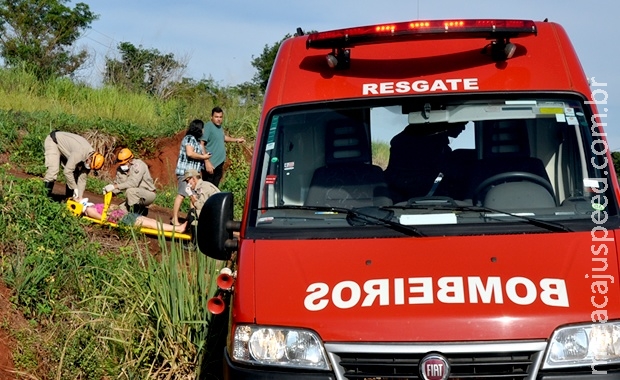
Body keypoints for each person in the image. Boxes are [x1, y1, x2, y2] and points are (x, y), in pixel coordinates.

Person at [384, 122, 466, 203]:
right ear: (446, 123)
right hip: (419, 201)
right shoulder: (430, 146)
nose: (463, 128)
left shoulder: (403, 140)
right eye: (461, 123)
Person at [171, 119, 212, 226]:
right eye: (202, 128)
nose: (203, 130)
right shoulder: (189, 138)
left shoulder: (196, 141)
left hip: (194, 173)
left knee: (194, 195)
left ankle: (191, 220)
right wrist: (203, 157)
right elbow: (190, 153)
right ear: (198, 128)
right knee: (182, 194)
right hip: (185, 172)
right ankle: (174, 219)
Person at [43, 130, 104, 200]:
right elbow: (67, 171)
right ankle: (45, 198)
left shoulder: (91, 159)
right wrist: (75, 188)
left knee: (75, 174)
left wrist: (80, 197)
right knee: (53, 171)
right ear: (89, 158)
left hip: (68, 150)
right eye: (89, 165)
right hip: (54, 141)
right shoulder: (79, 153)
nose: (88, 167)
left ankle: (68, 200)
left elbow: (82, 179)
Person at [200, 106, 245, 187]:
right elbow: (201, 143)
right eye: (216, 117)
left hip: (219, 163)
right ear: (211, 117)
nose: (219, 119)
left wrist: (236, 140)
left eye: (220, 117)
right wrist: (207, 162)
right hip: (211, 164)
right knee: (208, 189)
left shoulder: (219, 127)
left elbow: (223, 137)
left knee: (214, 189)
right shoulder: (208, 126)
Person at [102, 148, 156, 216]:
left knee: (130, 191)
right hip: (134, 196)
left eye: (124, 164)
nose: (122, 166)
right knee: (119, 211)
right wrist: (110, 191)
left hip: (147, 194)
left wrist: (114, 186)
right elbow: (118, 185)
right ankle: (140, 210)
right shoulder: (120, 170)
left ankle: (133, 216)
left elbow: (133, 183)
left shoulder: (139, 165)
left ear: (130, 160)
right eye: (121, 164)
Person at [81, 200, 188, 233]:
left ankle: (177, 228)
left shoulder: (93, 207)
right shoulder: (89, 210)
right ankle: (178, 229)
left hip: (124, 215)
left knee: (150, 221)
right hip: (122, 219)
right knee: (150, 224)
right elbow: (103, 219)